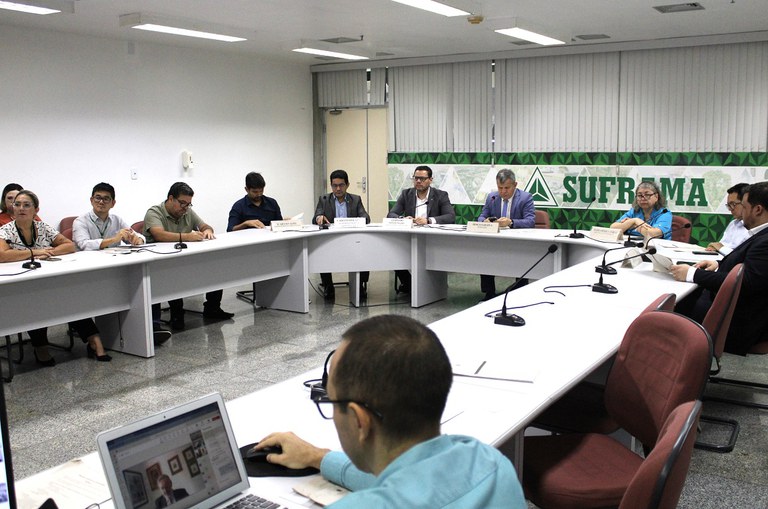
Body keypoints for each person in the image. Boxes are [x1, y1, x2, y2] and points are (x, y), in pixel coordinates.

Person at [254, 315, 526, 508]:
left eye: (331, 402)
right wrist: (317, 457)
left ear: (360, 421)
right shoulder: (491, 464)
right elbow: (407, 484)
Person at [0, 190, 112, 364]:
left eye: (26, 205)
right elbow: (2, 255)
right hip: (21, 284)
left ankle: (93, 340)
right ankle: (40, 346)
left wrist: (49, 252)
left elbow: (69, 246)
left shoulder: (43, 227)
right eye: (17, 204)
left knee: (71, 297)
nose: (21, 208)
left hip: (48, 279)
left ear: (36, 209)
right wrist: (35, 252)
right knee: (35, 303)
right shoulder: (6, 230)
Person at [669, 181, 768, 355]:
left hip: (737, 323)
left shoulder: (765, 241)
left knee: (672, 308)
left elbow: (744, 282)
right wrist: (718, 265)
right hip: (730, 307)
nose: (740, 212)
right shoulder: (760, 234)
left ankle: (675, 364)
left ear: (757, 209)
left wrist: (693, 274)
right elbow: (745, 266)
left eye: (744, 207)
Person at [144, 182, 234, 331]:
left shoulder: (187, 212)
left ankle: (212, 308)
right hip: (159, 264)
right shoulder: (154, 212)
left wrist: (208, 231)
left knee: (215, 265)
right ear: (171, 199)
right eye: (182, 203)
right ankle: (173, 314)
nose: (185, 208)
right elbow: (158, 234)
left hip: (183, 259)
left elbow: (204, 226)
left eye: (188, 204)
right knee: (171, 276)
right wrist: (187, 236)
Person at [387, 166, 455, 293]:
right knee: (394, 253)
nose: (418, 181)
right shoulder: (406, 194)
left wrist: (429, 220)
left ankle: (431, 286)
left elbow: (450, 216)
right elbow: (391, 214)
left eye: (422, 179)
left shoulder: (441, 195)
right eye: (416, 178)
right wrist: (403, 219)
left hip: (433, 240)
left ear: (430, 180)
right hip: (410, 238)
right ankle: (409, 284)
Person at [477, 169, 536, 300]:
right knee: (485, 253)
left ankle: (520, 289)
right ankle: (489, 293)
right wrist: (485, 221)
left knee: (520, 258)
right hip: (495, 241)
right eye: (500, 187)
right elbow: (481, 217)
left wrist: (511, 222)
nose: (503, 191)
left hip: (519, 242)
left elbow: (530, 221)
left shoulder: (525, 198)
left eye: (507, 188)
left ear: (515, 185)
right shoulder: (492, 197)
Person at [313, 169, 371, 299]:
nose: (338, 188)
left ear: (347, 185)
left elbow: (366, 218)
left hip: (352, 239)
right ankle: (328, 285)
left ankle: (360, 284)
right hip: (330, 241)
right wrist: (319, 218)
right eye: (334, 185)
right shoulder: (324, 199)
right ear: (331, 185)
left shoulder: (355, 199)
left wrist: (356, 221)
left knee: (364, 250)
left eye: (341, 185)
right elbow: (316, 216)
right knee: (322, 252)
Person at [73, 182, 145, 250]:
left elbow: (135, 235)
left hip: (114, 260)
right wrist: (114, 239)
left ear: (113, 203)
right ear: (91, 200)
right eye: (98, 198)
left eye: (106, 199)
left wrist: (138, 240)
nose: (101, 202)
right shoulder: (80, 221)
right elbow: (84, 245)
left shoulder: (117, 220)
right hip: (89, 261)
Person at [705, 182, 749, 255]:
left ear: (745, 203)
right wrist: (714, 248)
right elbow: (720, 244)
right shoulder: (733, 224)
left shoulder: (754, 228)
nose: (730, 209)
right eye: (728, 205)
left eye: (733, 204)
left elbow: (741, 256)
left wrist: (720, 248)